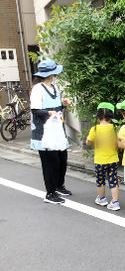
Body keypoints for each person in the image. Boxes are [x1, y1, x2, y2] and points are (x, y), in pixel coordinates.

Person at [30, 59, 72, 204]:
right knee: (50, 162)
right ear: (51, 73)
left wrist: (63, 105)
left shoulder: (54, 87)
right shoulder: (38, 89)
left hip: (57, 130)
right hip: (44, 133)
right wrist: (49, 113)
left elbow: (56, 108)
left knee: (62, 158)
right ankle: (50, 193)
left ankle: (59, 185)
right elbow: (35, 110)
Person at [86, 102, 120, 211]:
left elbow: (88, 142)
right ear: (111, 116)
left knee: (100, 180)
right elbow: (118, 144)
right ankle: (115, 202)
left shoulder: (94, 129)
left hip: (100, 161)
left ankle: (102, 198)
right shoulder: (115, 128)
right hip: (113, 160)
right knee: (113, 180)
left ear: (98, 116)